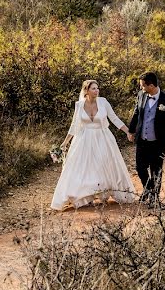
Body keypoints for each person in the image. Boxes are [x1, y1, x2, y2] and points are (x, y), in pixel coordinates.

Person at [50, 80, 137, 210]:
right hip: (83, 139)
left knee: (103, 165)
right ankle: (86, 195)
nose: (97, 91)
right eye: (94, 89)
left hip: (103, 138)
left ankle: (103, 192)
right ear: (86, 91)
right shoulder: (79, 105)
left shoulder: (103, 102)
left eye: (97, 88)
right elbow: (74, 126)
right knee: (83, 167)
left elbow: (114, 118)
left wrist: (128, 132)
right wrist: (64, 143)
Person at [127, 72, 165, 207]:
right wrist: (131, 130)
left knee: (156, 169)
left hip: (159, 141)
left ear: (151, 85)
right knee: (140, 167)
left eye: (142, 86)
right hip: (142, 139)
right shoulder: (141, 95)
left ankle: (154, 197)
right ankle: (148, 189)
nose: (141, 89)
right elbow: (136, 113)